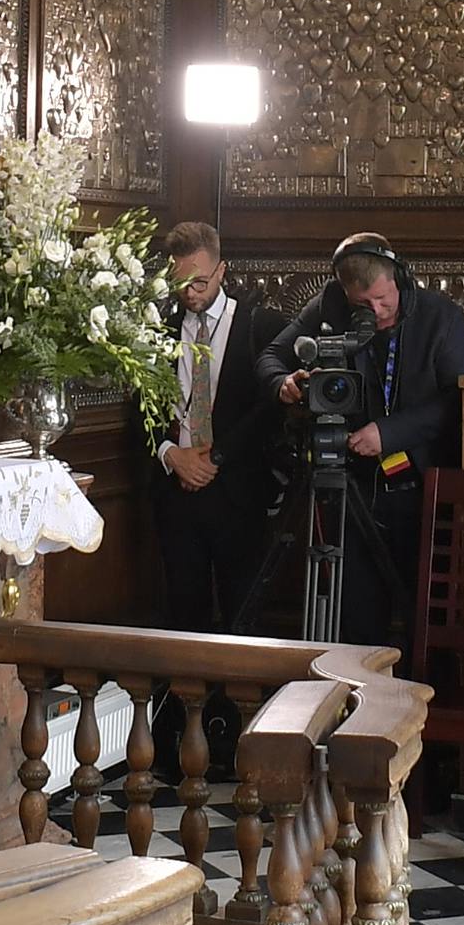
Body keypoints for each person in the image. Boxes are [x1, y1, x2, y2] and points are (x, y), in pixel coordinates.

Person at [259, 233, 464, 642]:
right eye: (363, 304)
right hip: (349, 487)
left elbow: (458, 400)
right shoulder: (328, 305)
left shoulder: (439, 316)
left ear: (399, 280)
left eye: (383, 299)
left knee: (422, 619)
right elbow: (271, 357)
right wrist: (282, 383)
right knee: (357, 619)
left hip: (419, 490)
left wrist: (388, 433)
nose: (375, 312)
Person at [148, 223, 282, 641]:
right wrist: (171, 453)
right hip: (176, 493)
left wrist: (215, 457)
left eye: (200, 282)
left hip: (238, 492)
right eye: (181, 283)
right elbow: (141, 407)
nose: (191, 293)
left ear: (222, 270)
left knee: (242, 616)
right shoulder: (159, 330)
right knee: (183, 615)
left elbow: (269, 408)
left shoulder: (259, 326)